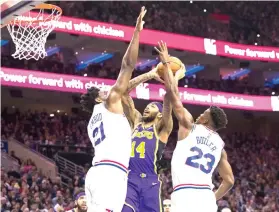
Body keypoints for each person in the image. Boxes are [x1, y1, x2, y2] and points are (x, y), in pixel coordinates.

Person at [154, 41, 234, 212]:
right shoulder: (220, 146)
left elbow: (173, 94)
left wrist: (167, 63)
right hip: (206, 196)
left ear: (206, 120)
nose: (200, 115)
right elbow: (229, 181)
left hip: (185, 194)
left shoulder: (189, 125)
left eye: (203, 113)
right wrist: (211, 198)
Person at [81, 7, 146, 212]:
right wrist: (136, 32)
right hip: (110, 174)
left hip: (98, 173)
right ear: (99, 97)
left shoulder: (94, 119)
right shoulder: (109, 103)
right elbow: (127, 65)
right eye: (102, 89)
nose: (106, 89)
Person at [121, 65, 183, 212]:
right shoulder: (137, 121)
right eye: (147, 106)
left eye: (152, 106)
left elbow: (168, 98)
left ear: (160, 114)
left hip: (150, 180)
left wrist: (172, 75)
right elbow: (123, 92)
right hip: (130, 178)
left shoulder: (162, 128)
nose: (147, 108)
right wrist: (149, 74)